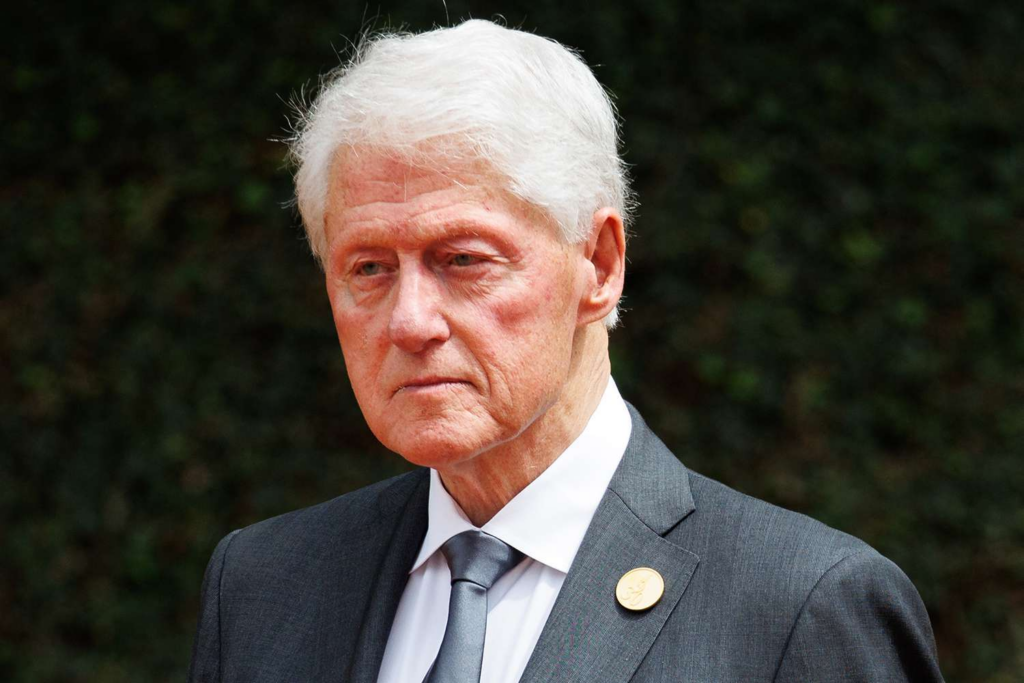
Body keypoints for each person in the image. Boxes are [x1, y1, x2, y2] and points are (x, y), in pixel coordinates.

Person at [187, 19, 944, 683]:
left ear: (600, 265)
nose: (410, 322)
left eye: (464, 259)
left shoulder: (798, 606)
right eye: (369, 268)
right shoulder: (263, 587)